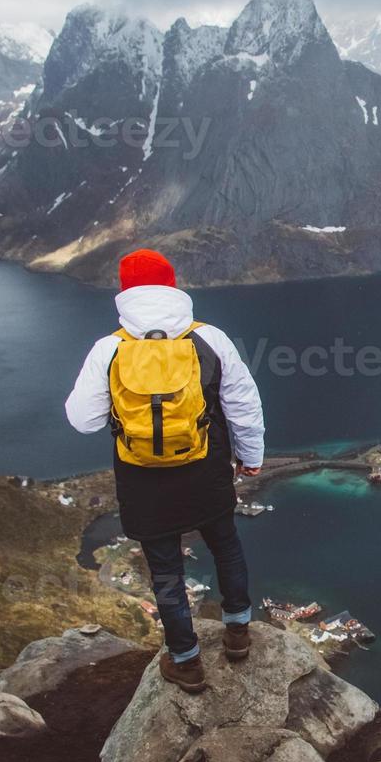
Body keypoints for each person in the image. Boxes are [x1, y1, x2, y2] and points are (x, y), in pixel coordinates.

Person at [65, 249, 265, 692]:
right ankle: (237, 633)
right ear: (174, 287)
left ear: (125, 293)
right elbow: (243, 407)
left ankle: (186, 660)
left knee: (166, 570)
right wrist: (251, 457)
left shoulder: (110, 348)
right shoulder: (210, 338)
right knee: (226, 546)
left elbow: (83, 420)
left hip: (143, 482)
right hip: (206, 470)